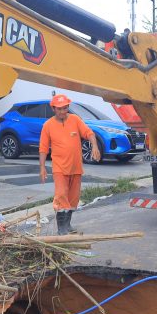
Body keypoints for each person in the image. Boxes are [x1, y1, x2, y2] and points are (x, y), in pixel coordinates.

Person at [39, 94, 100, 234]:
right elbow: (43, 148)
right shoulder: (48, 125)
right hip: (59, 168)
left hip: (76, 167)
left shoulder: (75, 120)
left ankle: (67, 225)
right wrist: (42, 167)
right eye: (59, 109)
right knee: (61, 196)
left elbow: (89, 133)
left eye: (65, 108)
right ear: (53, 108)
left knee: (73, 198)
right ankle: (61, 229)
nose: (62, 111)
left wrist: (95, 146)